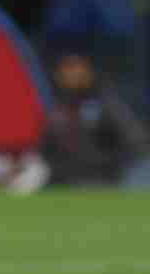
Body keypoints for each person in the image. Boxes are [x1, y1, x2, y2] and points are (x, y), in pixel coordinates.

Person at [41, 52, 150, 186]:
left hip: (103, 181)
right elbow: (46, 148)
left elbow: (136, 141)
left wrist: (112, 165)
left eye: (75, 67)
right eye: (66, 68)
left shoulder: (106, 103)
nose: (72, 74)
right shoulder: (55, 107)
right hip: (65, 182)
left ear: (88, 71)